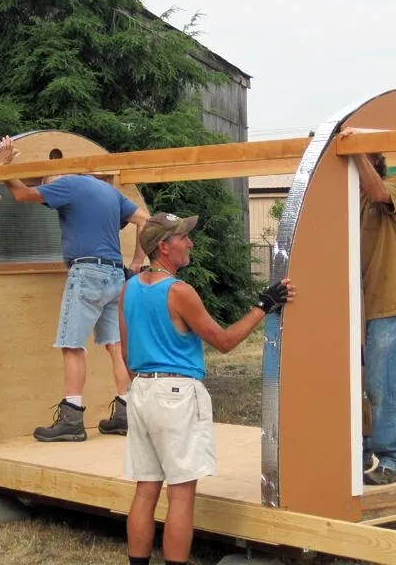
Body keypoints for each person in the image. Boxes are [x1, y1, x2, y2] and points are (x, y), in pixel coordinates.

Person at [121, 212, 294, 565]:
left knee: (146, 489)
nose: (191, 243)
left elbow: (126, 352)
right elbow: (225, 341)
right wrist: (264, 305)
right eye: (184, 237)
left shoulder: (130, 288)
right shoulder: (180, 292)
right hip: (177, 395)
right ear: (164, 247)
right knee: (181, 494)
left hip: (141, 391)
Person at [0, 135, 149, 441]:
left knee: (72, 344)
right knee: (116, 346)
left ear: (57, 174)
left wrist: (2, 169)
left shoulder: (66, 184)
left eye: (48, 182)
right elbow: (147, 221)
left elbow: (24, 195)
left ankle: (72, 417)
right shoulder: (107, 190)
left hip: (87, 272)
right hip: (115, 274)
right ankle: (126, 412)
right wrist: (135, 264)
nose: (50, 194)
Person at [338, 127, 396, 486]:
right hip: (356, 313)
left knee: (382, 386)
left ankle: (394, 461)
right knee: (357, 387)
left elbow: (378, 191)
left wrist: (356, 150)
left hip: (387, 308)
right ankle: (361, 452)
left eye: (362, 160)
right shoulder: (352, 200)